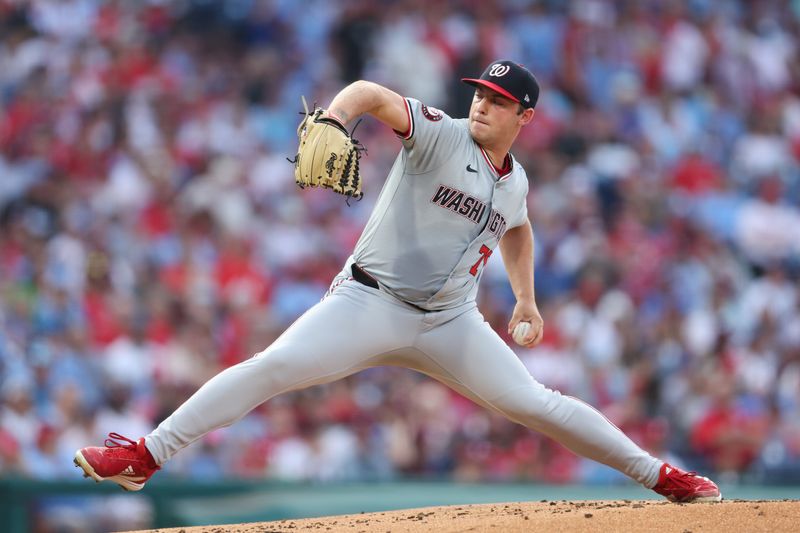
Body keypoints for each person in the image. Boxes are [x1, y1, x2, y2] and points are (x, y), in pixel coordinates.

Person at [74, 60, 721, 503]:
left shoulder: (517, 180)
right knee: (275, 366)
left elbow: (518, 229)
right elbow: (370, 94)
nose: (482, 105)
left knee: (536, 402)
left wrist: (525, 296)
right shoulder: (440, 135)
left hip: (450, 320)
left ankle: (660, 474)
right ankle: (147, 454)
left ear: (525, 115)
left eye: (498, 101)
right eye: (479, 94)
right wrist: (333, 118)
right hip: (368, 300)